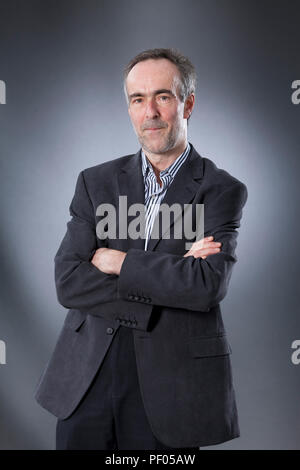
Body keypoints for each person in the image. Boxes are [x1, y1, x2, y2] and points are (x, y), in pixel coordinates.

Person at [34, 48, 248, 450]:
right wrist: (169, 282)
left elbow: (206, 285)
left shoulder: (221, 190)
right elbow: (69, 282)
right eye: (138, 99)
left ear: (188, 104)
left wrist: (120, 261)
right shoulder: (94, 183)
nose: (150, 111)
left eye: (163, 97)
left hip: (172, 384)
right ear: (129, 108)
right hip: (87, 377)